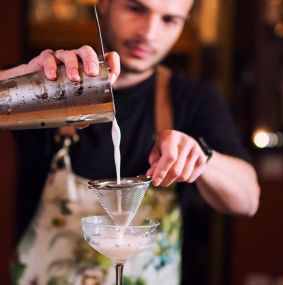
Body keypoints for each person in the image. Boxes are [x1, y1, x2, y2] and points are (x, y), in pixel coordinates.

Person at [8, 0, 260, 284]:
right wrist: (18, 86)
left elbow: (248, 200)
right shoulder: (48, 91)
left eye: (169, 20)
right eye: (136, 9)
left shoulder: (191, 100)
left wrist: (200, 157)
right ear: (104, 4)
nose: (149, 33)